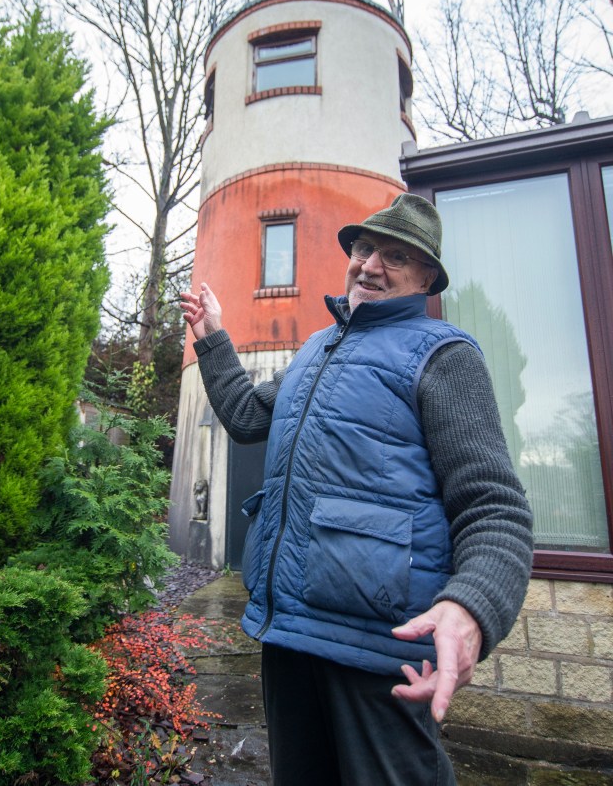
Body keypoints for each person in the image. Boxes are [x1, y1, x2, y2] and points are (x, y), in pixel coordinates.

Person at [180, 193, 533, 786]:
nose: (369, 264)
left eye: (395, 256)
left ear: (427, 277)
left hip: (377, 649)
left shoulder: (444, 355)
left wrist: (471, 607)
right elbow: (245, 416)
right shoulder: (317, 349)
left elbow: (494, 507)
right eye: (364, 248)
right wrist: (213, 337)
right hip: (286, 631)